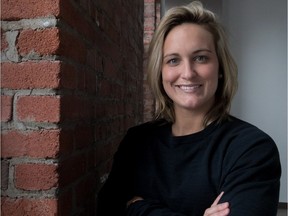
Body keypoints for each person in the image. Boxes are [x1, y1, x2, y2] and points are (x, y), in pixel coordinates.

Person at [97, 1, 281, 215]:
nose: (188, 73)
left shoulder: (251, 148)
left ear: (220, 68)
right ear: (160, 71)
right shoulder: (136, 142)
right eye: (173, 60)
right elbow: (106, 209)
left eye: (200, 58)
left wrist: (138, 208)